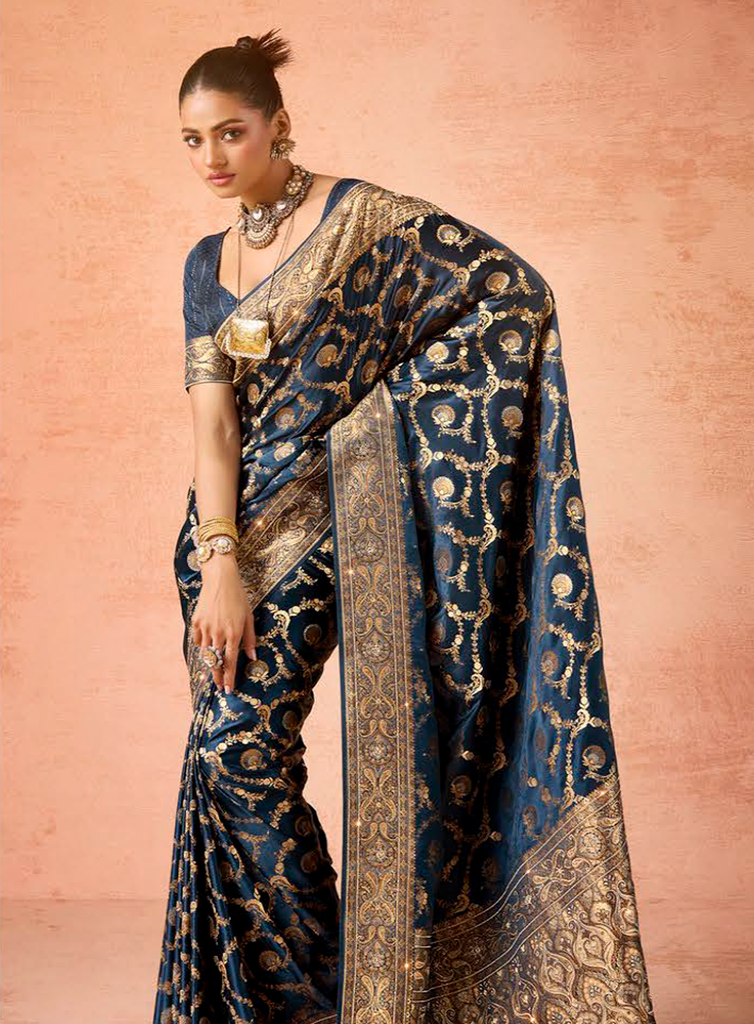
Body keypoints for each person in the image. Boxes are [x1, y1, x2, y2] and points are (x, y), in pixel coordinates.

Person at [153, 29, 658, 1024]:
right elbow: (213, 429)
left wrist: (368, 434)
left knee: (239, 757)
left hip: (328, 532)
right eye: (191, 139)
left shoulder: (366, 224)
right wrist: (219, 560)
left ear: (277, 125)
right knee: (230, 761)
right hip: (225, 548)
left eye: (230, 132)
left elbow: (510, 298)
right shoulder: (205, 267)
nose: (211, 157)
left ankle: (336, 994)